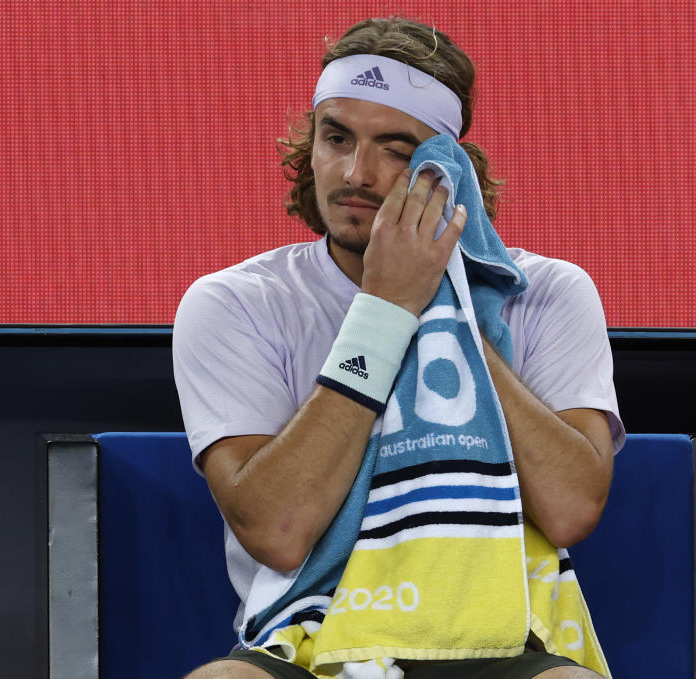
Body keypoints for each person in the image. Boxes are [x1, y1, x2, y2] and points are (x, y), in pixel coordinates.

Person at [173, 16, 624, 679]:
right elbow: (278, 527)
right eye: (336, 138)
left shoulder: (547, 293)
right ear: (311, 147)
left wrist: (450, 306)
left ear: (449, 172)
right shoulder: (236, 302)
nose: (357, 172)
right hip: (309, 636)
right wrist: (384, 312)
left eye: (395, 148)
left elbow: (571, 507)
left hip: (496, 637)